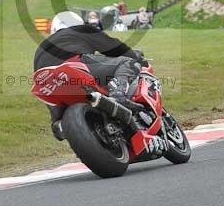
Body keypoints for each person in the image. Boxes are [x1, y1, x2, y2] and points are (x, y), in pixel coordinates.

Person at [34, 11, 144, 141]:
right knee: (128, 62)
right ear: (78, 22)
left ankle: (58, 123)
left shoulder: (40, 48)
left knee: (56, 107)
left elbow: (39, 77)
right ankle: (118, 94)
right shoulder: (81, 30)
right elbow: (115, 47)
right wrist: (135, 56)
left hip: (49, 81)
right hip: (76, 65)